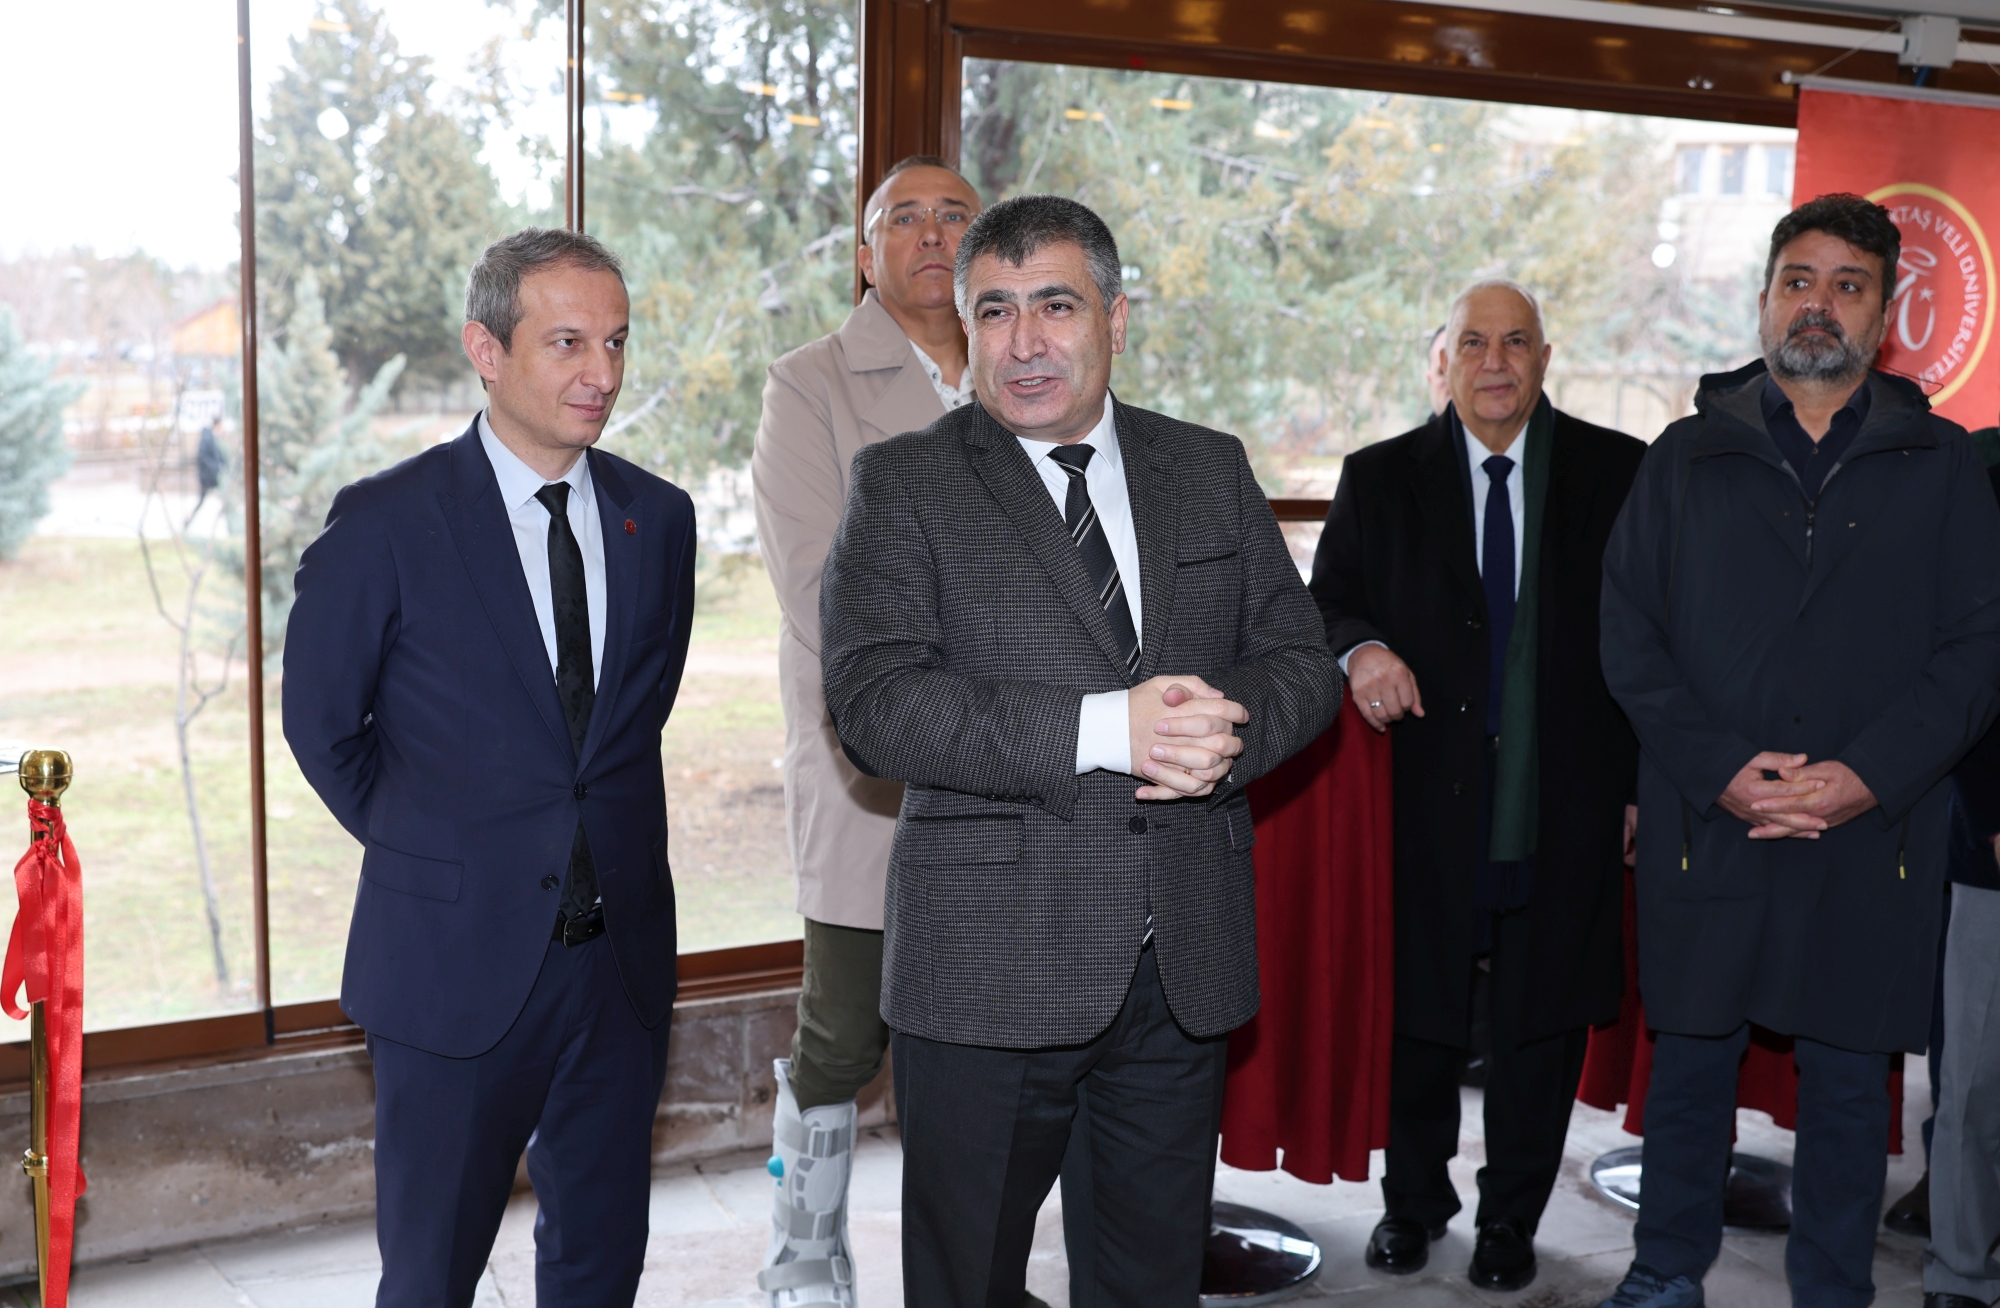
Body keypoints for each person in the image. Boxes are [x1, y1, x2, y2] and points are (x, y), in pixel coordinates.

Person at [818, 194, 1341, 1305]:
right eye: (993, 311)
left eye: (1054, 306)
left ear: (1114, 316)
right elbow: (874, 704)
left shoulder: (1205, 467)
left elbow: (1299, 659)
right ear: (965, 329)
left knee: (1150, 1283)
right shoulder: (903, 482)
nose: (1024, 343)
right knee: (967, 1283)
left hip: (1179, 963)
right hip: (987, 974)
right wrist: (1110, 728)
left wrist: (1223, 728)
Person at [1595, 192, 2000, 1308]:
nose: (1817, 304)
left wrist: (1865, 778)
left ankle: (1831, 1290)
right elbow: (1627, 634)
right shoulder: (1683, 456)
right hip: (1707, 820)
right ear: (1765, 299)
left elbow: (1979, 649)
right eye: (1797, 280)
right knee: (1688, 1069)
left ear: (1884, 316)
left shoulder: (1944, 464)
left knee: (1846, 1087)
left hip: (1875, 831)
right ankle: (1663, 1274)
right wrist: (1720, 770)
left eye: (1847, 284)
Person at [283, 228, 696, 1307]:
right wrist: (441, 848)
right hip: (451, 967)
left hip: (619, 969)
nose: (601, 372)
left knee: (600, 1266)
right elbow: (322, 727)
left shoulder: (659, 518)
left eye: (615, 341)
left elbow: (630, 725)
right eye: (567, 343)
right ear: (486, 349)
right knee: (430, 1277)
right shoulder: (385, 522)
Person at [1309, 279, 1644, 1293]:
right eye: (1472, 343)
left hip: (1565, 796)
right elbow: (1327, 602)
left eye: (1515, 342)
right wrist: (1362, 649)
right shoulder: (1378, 476)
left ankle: (1511, 1218)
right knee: (1420, 1013)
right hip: (1425, 798)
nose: (1494, 362)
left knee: (1539, 1021)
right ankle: (1412, 1204)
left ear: (1545, 358)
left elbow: (1654, 637)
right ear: (1440, 360)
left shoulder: (1616, 471)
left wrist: (1641, 783)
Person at [749, 154, 983, 1305]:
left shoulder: (1029, 367)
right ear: (863, 252)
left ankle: (968, 1268)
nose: (931, 234)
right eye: (904, 217)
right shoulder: (810, 384)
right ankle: (801, 1253)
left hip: (1023, 770)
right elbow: (819, 585)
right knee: (843, 1028)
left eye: (955, 215)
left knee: (983, 1032)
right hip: (872, 766)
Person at [1921, 459, 2000, 1308]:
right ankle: (1961, 1275)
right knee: (1977, 1082)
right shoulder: (1984, 480)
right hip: (1993, 848)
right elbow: (1971, 667)